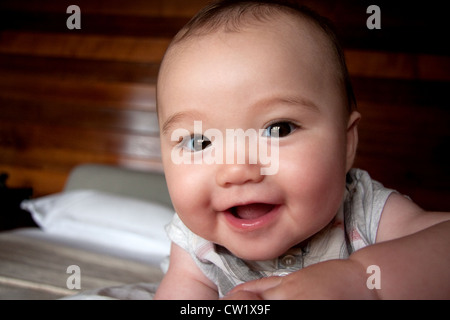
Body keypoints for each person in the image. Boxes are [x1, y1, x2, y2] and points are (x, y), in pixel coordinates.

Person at [154, 0, 450, 299]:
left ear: (346, 144)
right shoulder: (196, 242)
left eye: (278, 129)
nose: (236, 169)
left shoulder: (365, 213)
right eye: (198, 142)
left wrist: (360, 280)